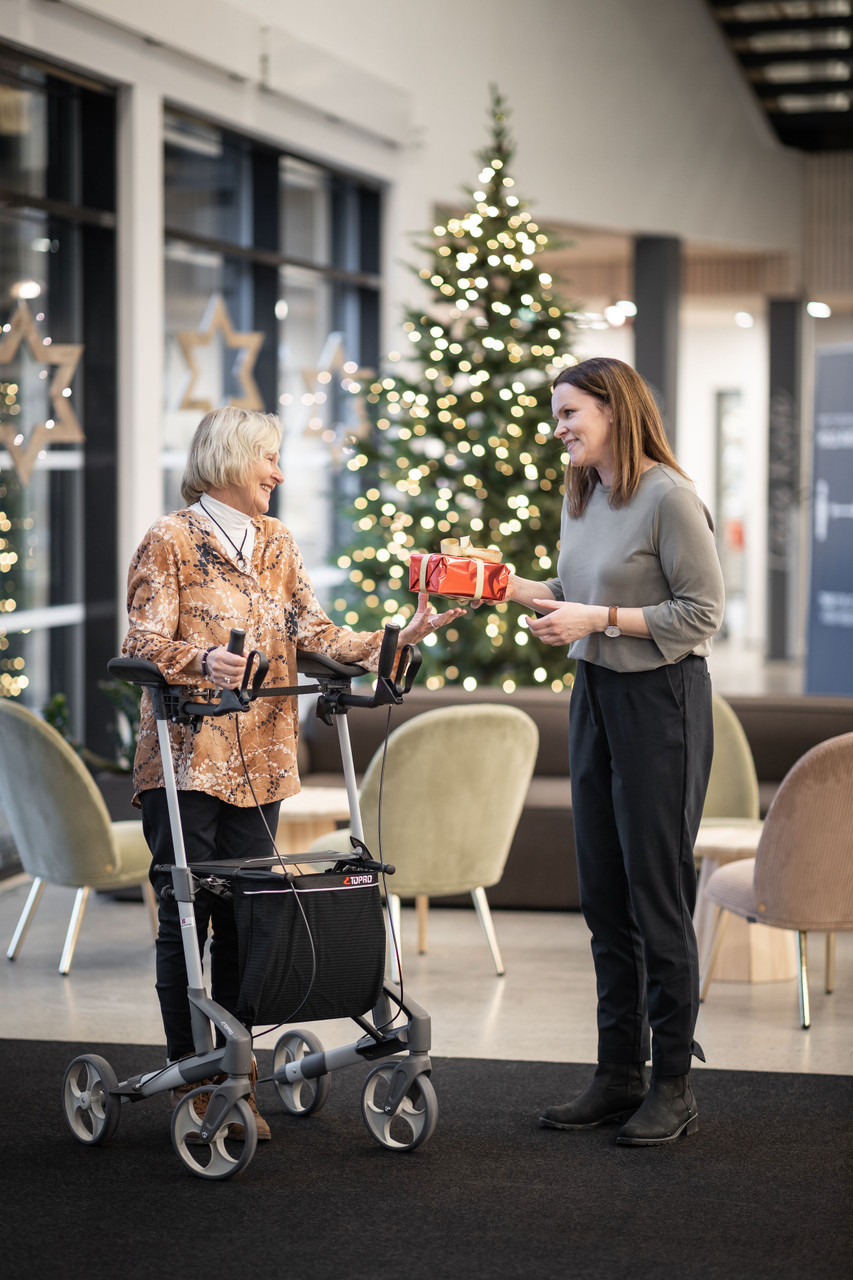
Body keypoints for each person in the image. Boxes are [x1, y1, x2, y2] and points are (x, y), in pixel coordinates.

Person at [123, 405, 463, 1140]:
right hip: (186, 760)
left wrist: (398, 636)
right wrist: (199, 660)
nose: (278, 473)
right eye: (267, 458)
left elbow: (314, 632)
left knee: (251, 915)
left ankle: (238, 1069)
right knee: (189, 917)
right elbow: (143, 641)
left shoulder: (277, 543)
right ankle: (199, 1073)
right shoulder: (169, 539)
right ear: (228, 459)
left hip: (261, 760)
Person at [507, 357, 724, 1146]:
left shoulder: (667, 495)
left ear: (613, 409)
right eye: (557, 414)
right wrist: (522, 591)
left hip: (660, 704)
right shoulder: (585, 494)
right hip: (595, 697)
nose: (559, 425)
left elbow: (699, 614)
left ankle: (672, 1082)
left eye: (569, 412)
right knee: (603, 893)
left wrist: (594, 619)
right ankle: (616, 1074)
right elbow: (591, 599)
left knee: (654, 894)